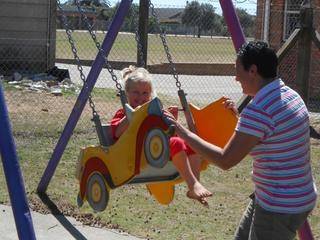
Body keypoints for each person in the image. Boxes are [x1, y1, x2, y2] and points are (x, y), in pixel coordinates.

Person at [168, 41, 317, 240]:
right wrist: (238, 120)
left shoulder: (259, 110)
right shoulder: (290, 95)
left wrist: (182, 132)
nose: (236, 77)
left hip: (279, 205)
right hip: (296, 195)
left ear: (253, 70)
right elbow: (269, 138)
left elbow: (225, 160)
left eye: (238, 70)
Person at [109, 65, 212, 205]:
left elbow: (167, 133)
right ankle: (194, 184)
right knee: (177, 143)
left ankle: (194, 186)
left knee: (189, 143)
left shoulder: (154, 113)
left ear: (151, 95)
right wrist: (132, 116)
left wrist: (171, 119)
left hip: (156, 149)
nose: (141, 97)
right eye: (136, 92)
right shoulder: (123, 114)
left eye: (145, 93)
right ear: (126, 93)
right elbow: (116, 132)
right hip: (136, 154)